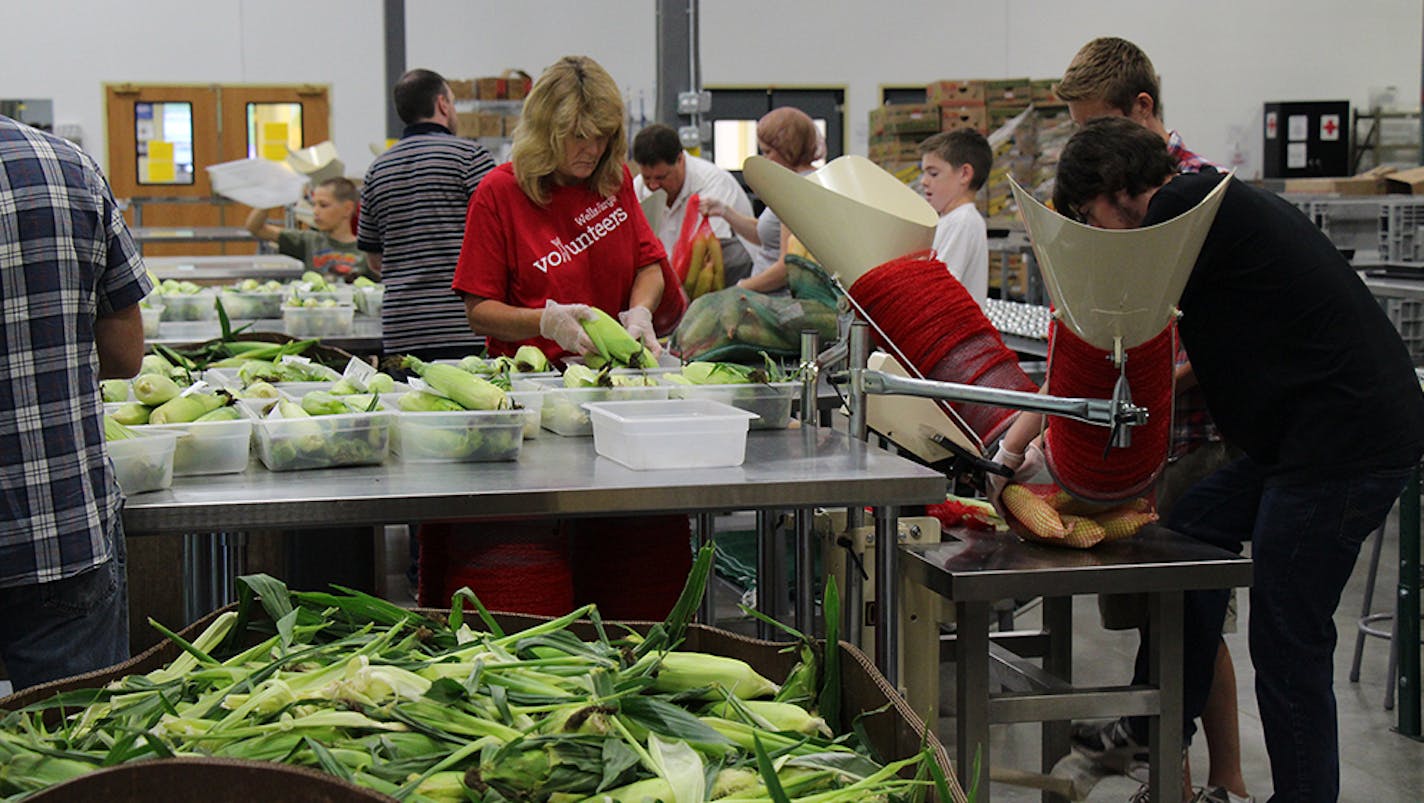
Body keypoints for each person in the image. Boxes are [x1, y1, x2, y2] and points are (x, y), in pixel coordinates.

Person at [1043, 116, 1424, 803]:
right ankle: (1153, 717)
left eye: (1086, 214)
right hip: (1303, 440)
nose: (1092, 231)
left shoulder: (1182, 210)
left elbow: (1124, 324)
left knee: (1287, 636)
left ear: (1115, 186)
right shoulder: (1198, 210)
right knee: (1192, 526)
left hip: (1341, 446)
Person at [1055, 37, 1248, 803]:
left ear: (1142, 112)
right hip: (1150, 433)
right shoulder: (1140, 194)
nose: (1086, 148)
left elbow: (1213, 332)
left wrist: (1146, 376)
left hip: (1199, 434)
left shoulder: (1185, 199)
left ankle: (1200, 778)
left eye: (1094, 127)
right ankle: (1181, 774)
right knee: (1167, 619)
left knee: (1189, 613)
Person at [450, 55, 688, 620]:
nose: (590, 151)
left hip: (612, 398)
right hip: (534, 410)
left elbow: (649, 262)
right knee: (537, 560)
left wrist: (639, 312)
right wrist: (543, 322)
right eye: (577, 138)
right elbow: (477, 309)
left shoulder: (614, 182)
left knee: (630, 560)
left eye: (603, 138)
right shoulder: (499, 195)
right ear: (544, 132)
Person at [0, 114, 149, 689]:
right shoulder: (65, 167)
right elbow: (124, 354)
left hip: (58, 529)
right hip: (58, 527)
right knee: (78, 754)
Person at [359, 68, 496, 357]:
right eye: (453, 102)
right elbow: (501, 241)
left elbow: (374, 259)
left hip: (402, 330)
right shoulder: (471, 159)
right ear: (443, 104)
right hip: (465, 325)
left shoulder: (378, 169)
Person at [701, 106, 823, 293]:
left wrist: (740, 288)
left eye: (768, 152)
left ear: (789, 149)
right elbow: (767, 236)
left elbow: (788, 266)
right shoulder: (812, 180)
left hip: (775, 302)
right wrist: (725, 212)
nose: (765, 159)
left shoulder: (794, 190)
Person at [632, 123, 756, 286]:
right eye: (647, 177)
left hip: (734, 277)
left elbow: (706, 253)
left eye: (661, 178)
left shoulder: (714, 183)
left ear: (680, 159)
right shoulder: (639, 187)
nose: (653, 185)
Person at [244, 177, 373, 283]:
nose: (315, 211)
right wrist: (270, 198)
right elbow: (256, 228)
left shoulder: (367, 250)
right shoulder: (309, 241)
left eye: (323, 205)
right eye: (314, 205)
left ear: (347, 209)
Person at [917, 129, 991, 308]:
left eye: (933, 174)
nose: (923, 181)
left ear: (965, 174)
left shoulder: (962, 222)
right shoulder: (949, 221)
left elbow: (938, 291)